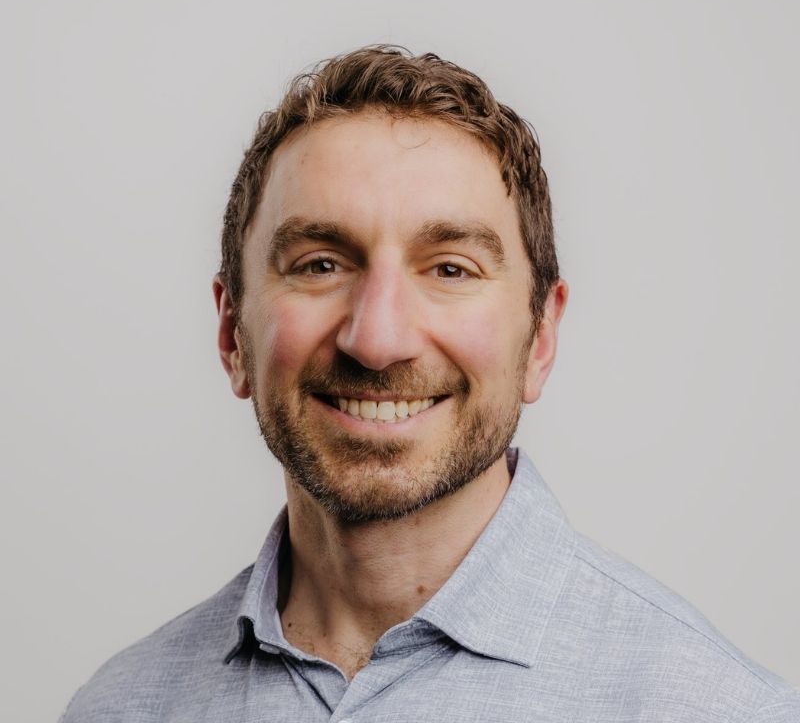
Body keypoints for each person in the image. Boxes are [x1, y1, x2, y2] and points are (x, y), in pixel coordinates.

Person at [60, 45, 800, 722]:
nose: (378, 340)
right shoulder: (116, 709)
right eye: (320, 264)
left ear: (540, 337)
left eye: (451, 268)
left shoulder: (718, 709)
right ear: (232, 333)